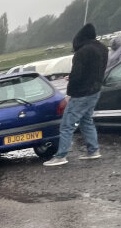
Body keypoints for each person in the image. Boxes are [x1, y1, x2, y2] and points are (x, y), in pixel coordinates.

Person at [43, 23, 109, 167]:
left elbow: (77, 75)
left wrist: (69, 92)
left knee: (67, 125)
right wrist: (73, 77)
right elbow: (92, 71)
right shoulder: (103, 49)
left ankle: (61, 155)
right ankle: (93, 150)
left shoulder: (82, 52)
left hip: (81, 94)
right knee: (86, 120)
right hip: (95, 90)